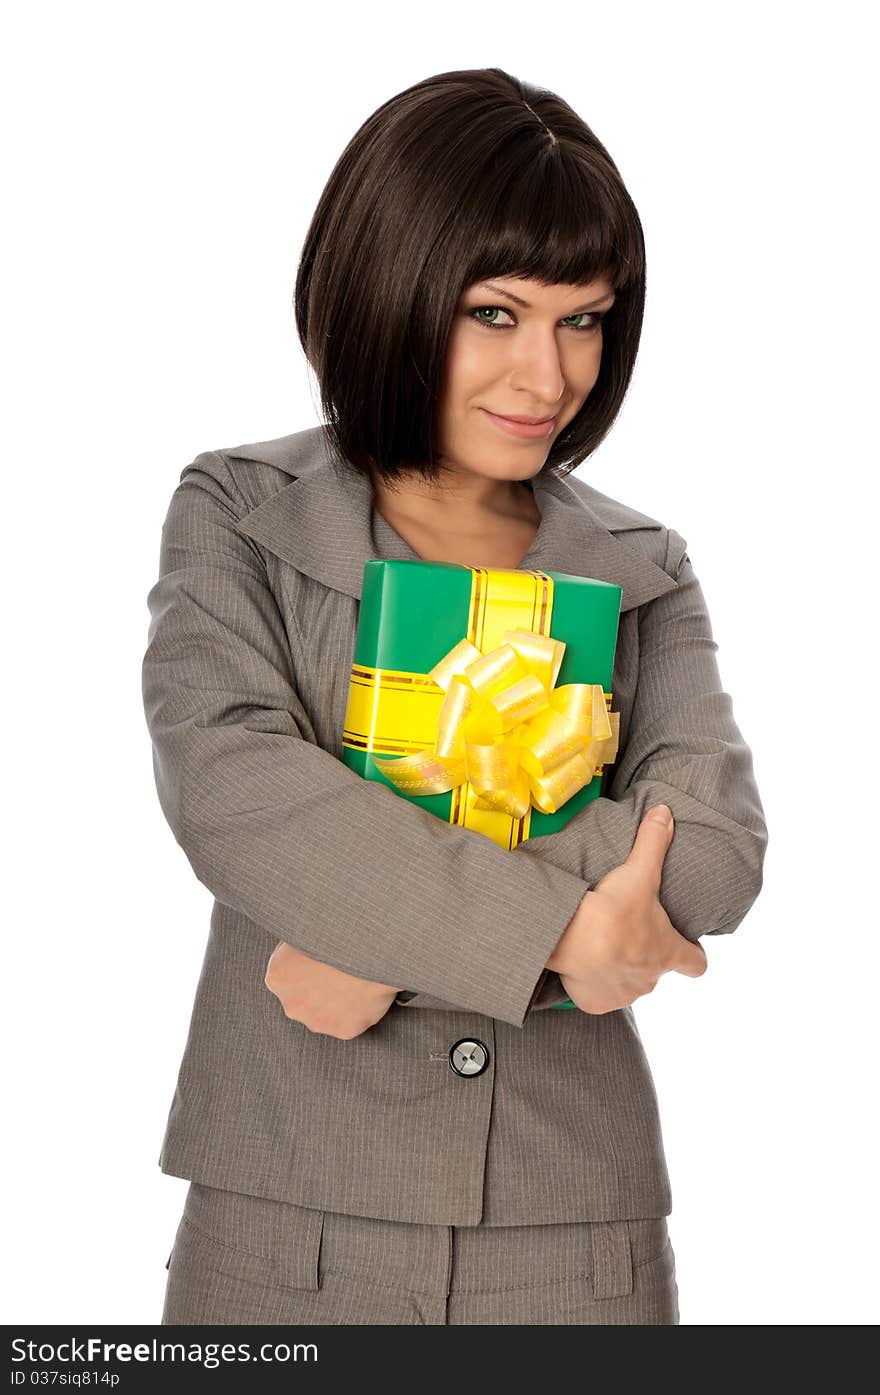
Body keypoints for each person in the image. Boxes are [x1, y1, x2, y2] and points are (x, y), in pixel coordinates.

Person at [142, 66, 767, 1326]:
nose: (547, 373)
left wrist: (365, 927)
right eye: (495, 311)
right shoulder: (237, 513)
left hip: (572, 1225)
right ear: (387, 283)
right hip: (285, 1211)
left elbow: (707, 862)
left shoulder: (643, 564)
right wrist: (567, 934)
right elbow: (238, 794)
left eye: (582, 319)